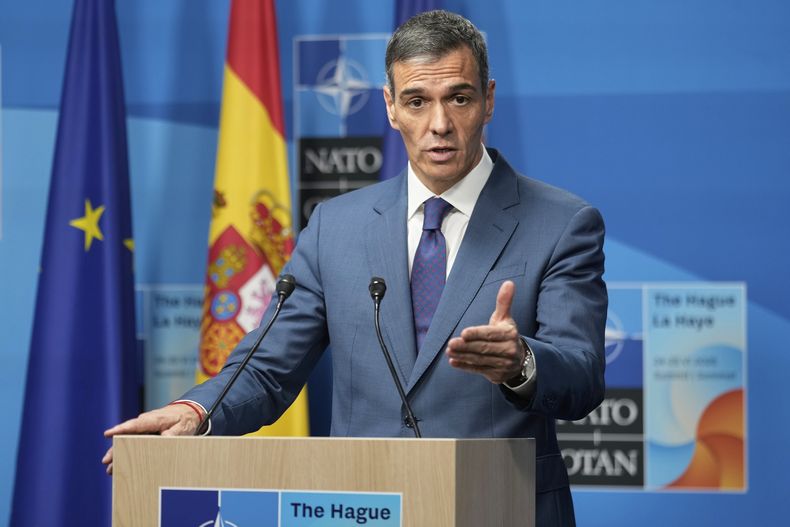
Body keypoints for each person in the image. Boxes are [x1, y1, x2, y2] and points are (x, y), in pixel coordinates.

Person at [104, 10, 606, 526]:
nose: (440, 124)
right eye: (417, 101)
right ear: (390, 107)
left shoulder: (561, 223)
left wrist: (521, 362)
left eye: (459, 98)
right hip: (363, 506)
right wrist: (197, 412)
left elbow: (583, 375)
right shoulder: (334, 227)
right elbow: (269, 365)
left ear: (488, 100)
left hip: (503, 507)